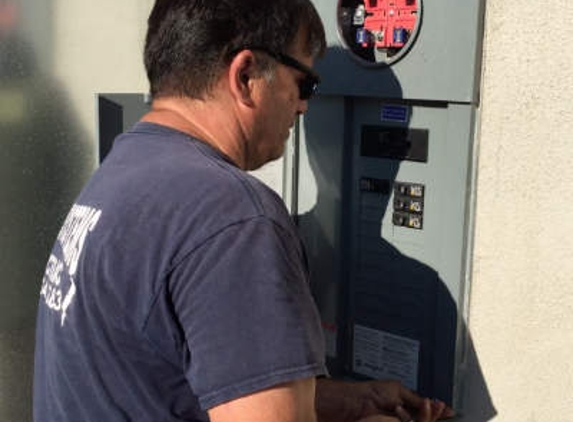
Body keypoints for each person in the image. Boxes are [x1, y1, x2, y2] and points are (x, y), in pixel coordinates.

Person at [33, 1, 455, 421]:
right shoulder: (236, 218)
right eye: (304, 84)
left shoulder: (122, 172)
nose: (304, 107)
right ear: (246, 75)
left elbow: (172, 383)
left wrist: (351, 402)